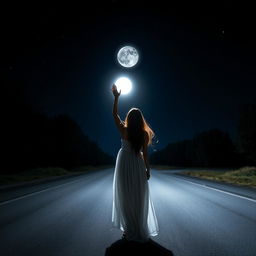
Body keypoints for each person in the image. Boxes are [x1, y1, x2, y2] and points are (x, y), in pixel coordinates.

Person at [111, 84, 159, 243]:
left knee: (125, 196)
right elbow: (145, 154)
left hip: (124, 164)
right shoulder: (144, 133)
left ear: (129, 119)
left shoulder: (124, 130)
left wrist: (116, 98)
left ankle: (128, 228)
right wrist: (148, 170)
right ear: (141, 120)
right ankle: (139, 226)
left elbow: (115, 114)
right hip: (137, 165)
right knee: (139, 196)